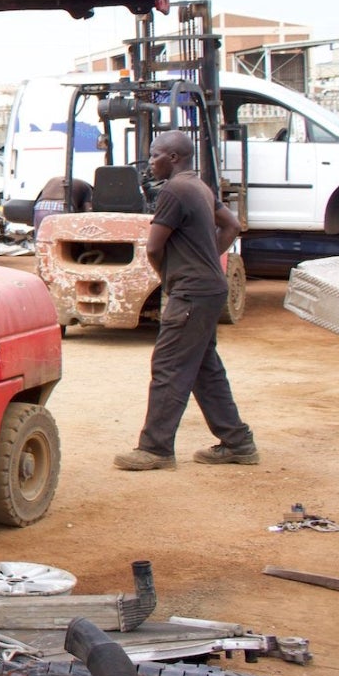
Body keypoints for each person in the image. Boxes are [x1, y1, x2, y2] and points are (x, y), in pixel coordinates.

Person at [113, 131, 257, 470]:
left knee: (169, 367)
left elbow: (152, 247)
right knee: (205, 368)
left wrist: (169, 277)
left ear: (173, 157)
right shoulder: (201, 186)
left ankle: (156, 449)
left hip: (190, 292)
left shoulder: (174, 191)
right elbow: (232, 226)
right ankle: (238, 442)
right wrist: (207, 258)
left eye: (154, 156)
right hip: (208, 288)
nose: (150, 163)